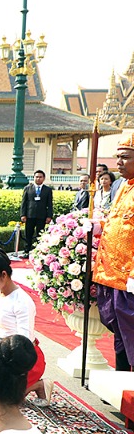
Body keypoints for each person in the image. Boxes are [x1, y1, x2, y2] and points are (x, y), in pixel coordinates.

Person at [0, 248, 53, 406]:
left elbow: (24, 341)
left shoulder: (22, 301)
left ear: (4, 275)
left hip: (23, 358)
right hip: (0, 350)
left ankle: (38, 384)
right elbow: (1, 325)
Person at [94, 136, 134, 372]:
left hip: (128, 276)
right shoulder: (122, 186)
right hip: (111, 273)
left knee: (131, 332)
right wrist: (98, 225)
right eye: (118, 157)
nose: (118, 162)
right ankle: (121, 381)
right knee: (118, 330)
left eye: (125, 157)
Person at [20, 169, 54, 250]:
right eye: (36, 177)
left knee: (40, 235)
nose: (38, 179)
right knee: (28, 234)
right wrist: (23, 214)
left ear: (44, 178)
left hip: (42, 216)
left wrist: (49, 216)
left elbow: (50, 204)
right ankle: (27, 250)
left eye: (40, 177)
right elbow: (24, 203)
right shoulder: (27, 188)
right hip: (29, 215)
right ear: (34, 178)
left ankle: (39, 250)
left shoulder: (48, 190)